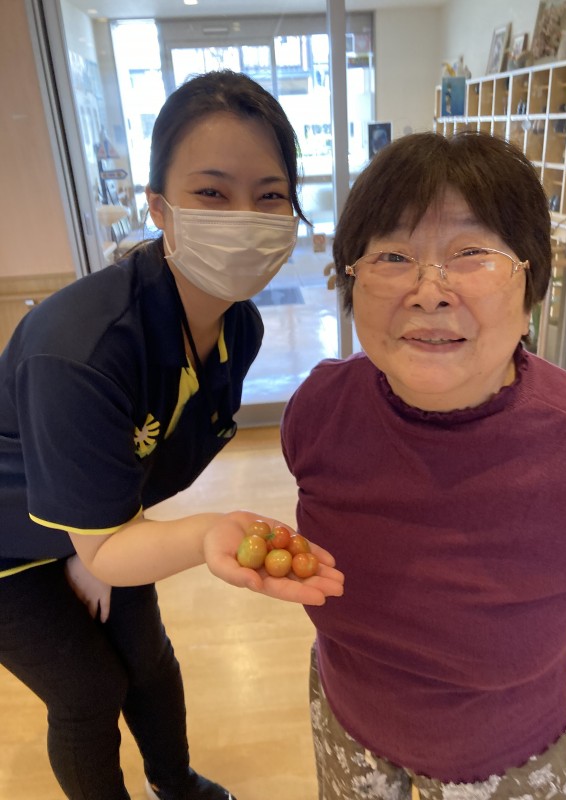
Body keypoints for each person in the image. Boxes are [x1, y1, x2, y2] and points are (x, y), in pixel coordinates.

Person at [0, 69, 343, 800]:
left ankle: (177, 785)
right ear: (158, 205)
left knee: (148, 659)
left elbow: (145, 463)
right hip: (7, 542)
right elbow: (106, 533)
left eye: (270, 195)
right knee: (88, 687)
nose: (244, 217)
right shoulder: (83, 350)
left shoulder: (237, 329)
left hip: (96, 517)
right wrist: (125, 543)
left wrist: (103, 542)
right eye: (212, 193)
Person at [280, 131, 566, 799]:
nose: (430, 292)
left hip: (505, 767)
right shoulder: (320, 410)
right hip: (346, 734)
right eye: (393, 256)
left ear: (532, 286)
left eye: (472, 254)